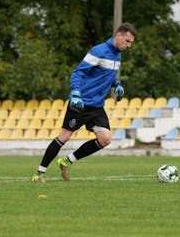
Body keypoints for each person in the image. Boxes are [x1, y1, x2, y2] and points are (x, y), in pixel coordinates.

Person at [32, 22, 136, 183]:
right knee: (64, 137)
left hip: (96, 106)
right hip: (81, 102)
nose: (129, 45)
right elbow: (78, 73)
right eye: (127, 41)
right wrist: (75, 93)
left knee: (105, 139)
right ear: (118, 36)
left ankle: (66, 161)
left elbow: (104, 74)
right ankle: (39, 173)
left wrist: (117, 84)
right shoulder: (98, 51)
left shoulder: (118, 54)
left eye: (131, 42)